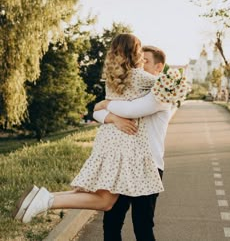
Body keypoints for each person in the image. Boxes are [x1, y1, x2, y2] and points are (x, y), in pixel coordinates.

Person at [13, 34, 165, 224]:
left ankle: (42, 198)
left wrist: (107, 106)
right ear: (135, 52)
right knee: (105, 200)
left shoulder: (113, 76)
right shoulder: (140, 77)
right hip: (123, 143)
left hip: (107, 138)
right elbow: (164, 86)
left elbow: (101, 108)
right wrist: (175, 85)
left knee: (98, 196)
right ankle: (47, 201)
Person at [93, 46, 174, 241]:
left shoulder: (161, 95)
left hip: (149, 166)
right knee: (111, 224)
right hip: (123, 165)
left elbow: (131, 110)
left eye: (145, 61)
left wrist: (107, 106)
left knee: (143, 226)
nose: (139, 64)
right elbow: (96, 112)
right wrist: (113, 118)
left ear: (159, 67)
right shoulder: (129, 92)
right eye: (139, 59)